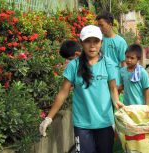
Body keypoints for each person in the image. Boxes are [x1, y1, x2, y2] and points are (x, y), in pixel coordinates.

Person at [39, 25, 124, 153]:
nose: (92, 45)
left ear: (101, 42)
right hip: (82, 124)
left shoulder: (108, 63)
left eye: (96, 41)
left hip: (105, 122)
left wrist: (116, 102)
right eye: (87, 41)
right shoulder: (74, 66)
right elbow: (63, 93)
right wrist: (49, 118)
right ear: (81, 43)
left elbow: (113, 89)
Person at [96, 11, 128, 86]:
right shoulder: (98, 40)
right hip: (100, 77)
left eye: (101, 25)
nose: (99, 28)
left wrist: (124, 83)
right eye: (98, 26)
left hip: (115, 78)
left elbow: (124, 63)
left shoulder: (120, 42)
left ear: (110, 25)